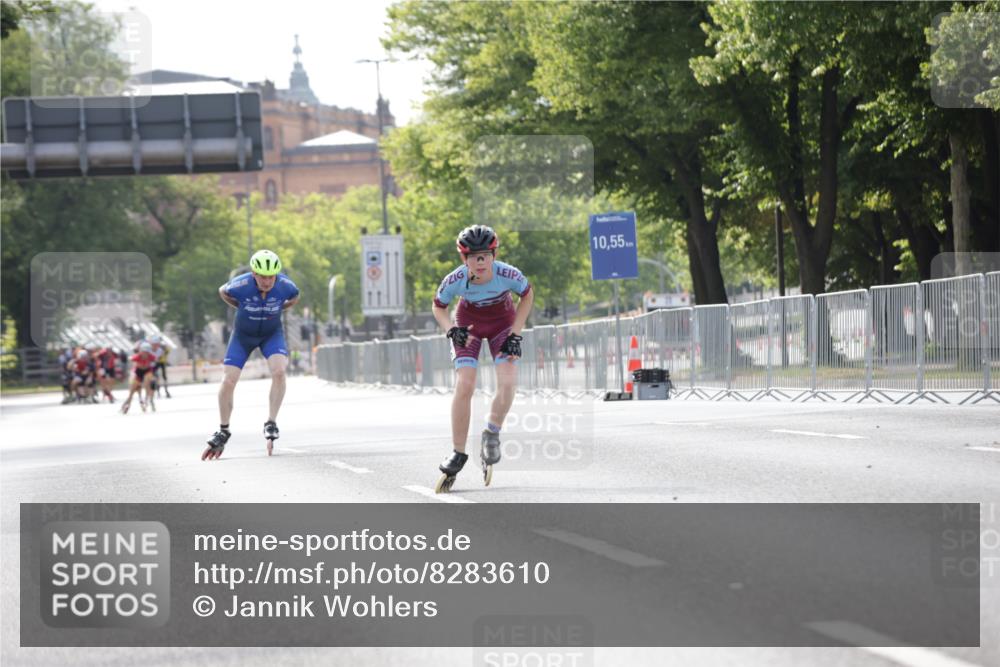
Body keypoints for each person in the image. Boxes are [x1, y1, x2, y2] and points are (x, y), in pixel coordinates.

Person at [431, 225, 533, 492]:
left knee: (509, 382)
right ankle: (458, 451)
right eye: (473, 256)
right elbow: (438, 306)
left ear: (493, 254)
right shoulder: (455, 279)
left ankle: (492, 431)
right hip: (469, 325)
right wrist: (450, 330)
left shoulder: (508, 274)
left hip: (502, 324)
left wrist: (516, 333)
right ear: (463, 259)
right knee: (465, 383)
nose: (480, 262)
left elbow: (527, 294)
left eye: (485, 255)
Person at [203, 249, 300, 460]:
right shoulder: (241, 284)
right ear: (254, 274)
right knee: (228, 380)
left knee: (279, 371)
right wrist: (240, 305)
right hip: (242, 336)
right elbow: (222, 291)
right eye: (262, 276)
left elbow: (294, 297)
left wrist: (280, 309)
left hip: (271, 334)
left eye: (271, 276)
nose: (267, 281)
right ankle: (223, 430)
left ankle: (271, 422)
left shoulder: (286, 286)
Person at [120, 341, 158, 414]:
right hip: (138, 372)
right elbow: (130, 361)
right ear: (141, 351)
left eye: (147, 352)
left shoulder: (151, 356)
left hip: (147, 371)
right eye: (144, 352)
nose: (145, 354)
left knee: (149, 380)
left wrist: (154, 374)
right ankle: (127, 403)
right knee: (132, 390)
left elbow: (155, 362)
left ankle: (147, 399)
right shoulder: (137, 356)